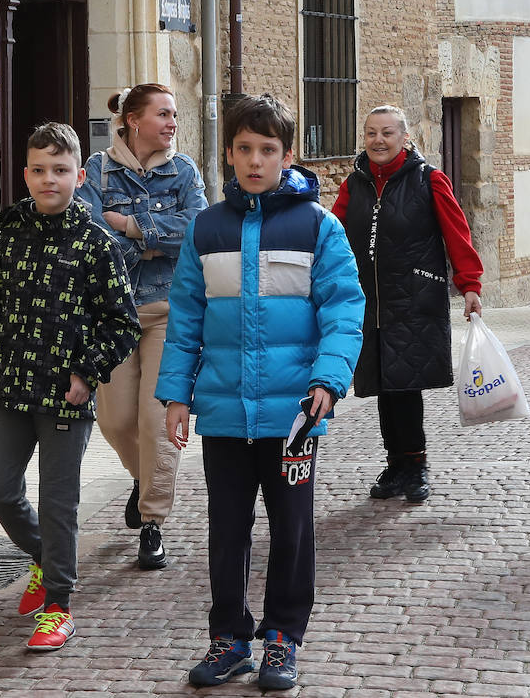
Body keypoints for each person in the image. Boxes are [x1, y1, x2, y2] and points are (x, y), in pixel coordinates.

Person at [156, 94, 364, 691]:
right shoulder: (206, 228)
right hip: (223, 412)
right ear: (227, 153)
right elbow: (187, 317)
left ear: (287, 154)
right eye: (243, 149)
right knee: (226, 528)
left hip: (295, 415)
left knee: (292, 527)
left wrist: (328, 379)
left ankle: (281, 639)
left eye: (267, 149)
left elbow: (344, 311)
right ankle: (228, 639)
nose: (255, 160)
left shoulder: (319, 227)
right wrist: (176, 394)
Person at [0, 122, 140, 650]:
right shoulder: (13, 235)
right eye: (40, 171)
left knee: (58, 501)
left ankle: (59, 605)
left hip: (66, 396)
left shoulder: (96, 244)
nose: (50, 180)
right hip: (14, 388)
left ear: (79, 176)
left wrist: (87, 373)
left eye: (61, 171)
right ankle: (46, 558)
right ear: (26, 175)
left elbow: (123, 322)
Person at [76, 83, 208, 570]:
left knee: (156, 423)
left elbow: (196, 227)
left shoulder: (184, 170)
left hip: (168, 311)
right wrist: (151, 242)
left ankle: (152, 523)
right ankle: (144, 480)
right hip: (112, 312)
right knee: (113, 420)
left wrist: (132, 228)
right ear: (132, 120)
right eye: (163, 114)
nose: (173, 122)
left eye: (174, 114)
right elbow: (91, 232)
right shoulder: (97, 170)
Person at [330, 105, 483, 503]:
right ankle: (396, 463)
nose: (378, 141)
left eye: (387, 133)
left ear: (405, 138)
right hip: (370, 301)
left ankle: (415, 465)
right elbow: (332, 235)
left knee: (404, 384)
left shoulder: (429, 180)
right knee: (382, 384)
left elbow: (457, 234)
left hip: (414, 299)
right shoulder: (354, 184)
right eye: (371, 133)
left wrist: (470, 285)